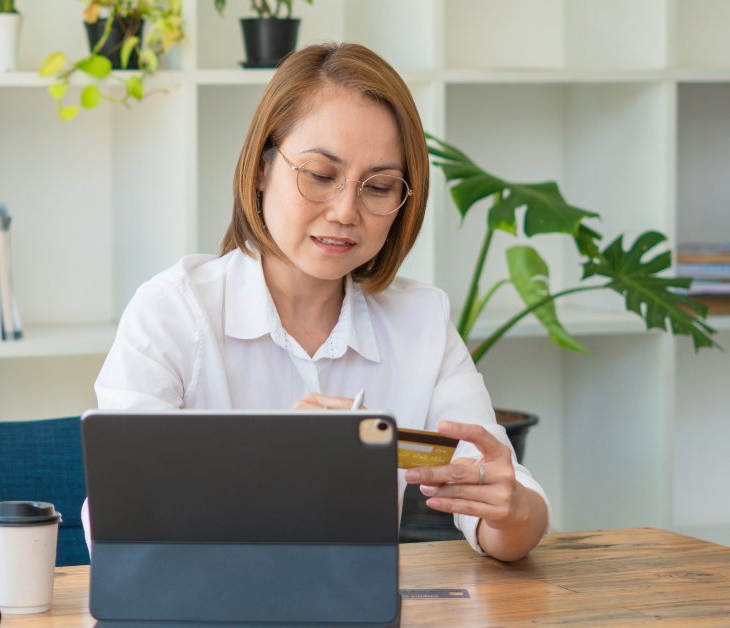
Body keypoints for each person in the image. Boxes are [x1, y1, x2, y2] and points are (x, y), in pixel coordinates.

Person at [86, 42, 550, 561]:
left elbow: (508, 514)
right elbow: (117, 524)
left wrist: (512, 513)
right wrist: (272, 462)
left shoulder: (421, 320)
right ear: (262, 169)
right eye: (321, 175)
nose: (346, 211)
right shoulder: (171, 312)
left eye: (379, 186)